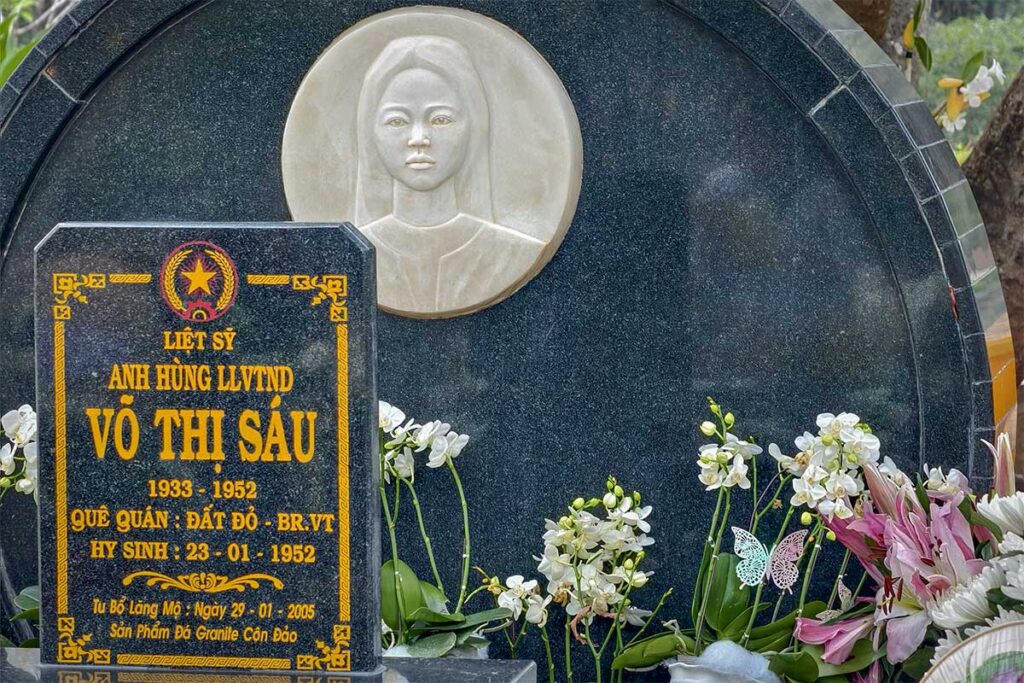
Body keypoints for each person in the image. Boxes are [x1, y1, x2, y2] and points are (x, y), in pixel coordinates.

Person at [355, 35, 546, 316]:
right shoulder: (348, 255)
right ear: (370, 131)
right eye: (397, 121)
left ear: (473, 126)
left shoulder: (513, 252)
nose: (419, 139)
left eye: (440, 119)